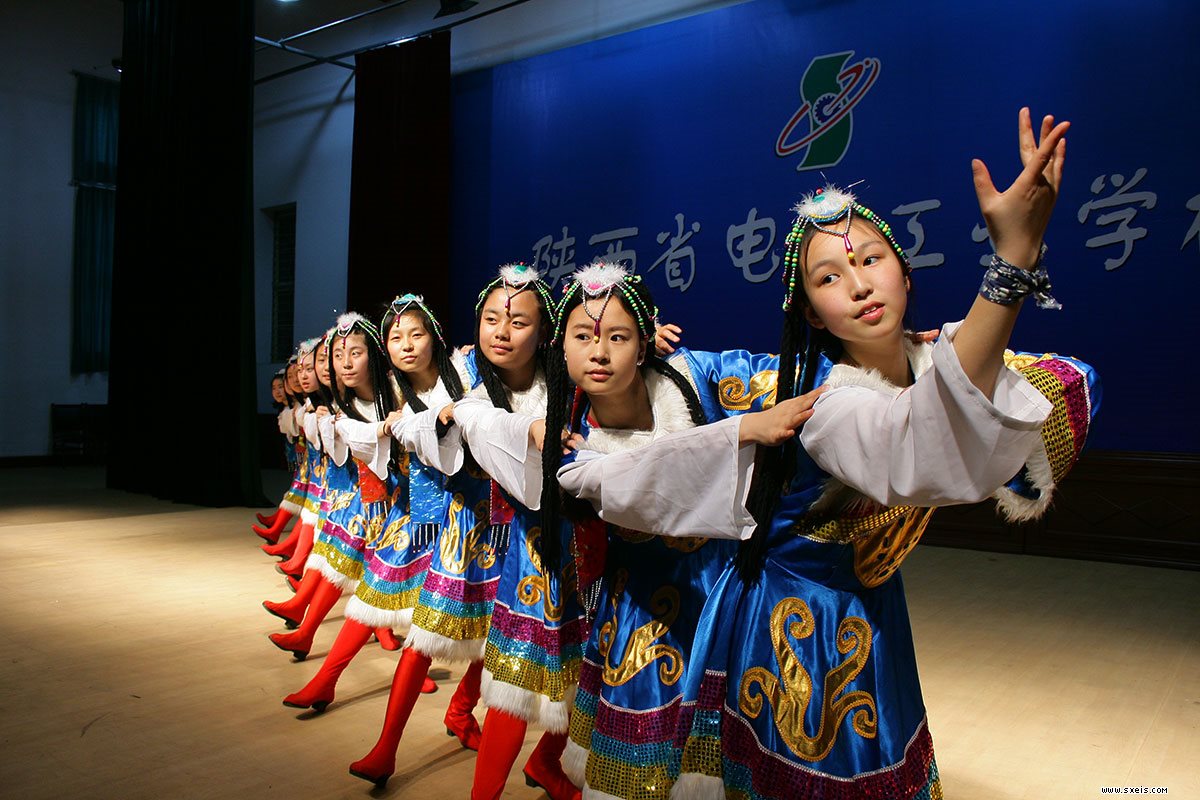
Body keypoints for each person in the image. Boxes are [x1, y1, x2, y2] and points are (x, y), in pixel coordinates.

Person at [557, 108, 1098, 799]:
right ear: (810, 312)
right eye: (830, 277)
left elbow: (1047, 383)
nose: (860, 284)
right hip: (799, 626)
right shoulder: (823, 404)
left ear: (904, 273)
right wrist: (1012, 263)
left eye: (870, 260)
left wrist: (968, 340)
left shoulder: (932, 360)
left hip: (871, 609)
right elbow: (919, 443)